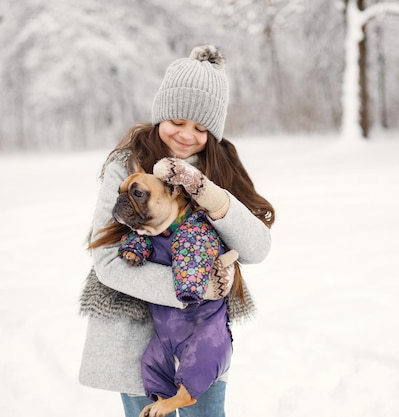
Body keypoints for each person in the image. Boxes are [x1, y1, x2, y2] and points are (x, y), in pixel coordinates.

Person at [79, 44, 274, 417]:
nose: (187, 135)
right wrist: (192, 288)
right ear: (161, 115)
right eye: (178, 121)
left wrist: (212, 196)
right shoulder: (126, 164)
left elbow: (258, 248)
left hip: (199, 336)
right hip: (133, 334)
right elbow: (106, 259)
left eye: (201, 128)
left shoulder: (219, 169)